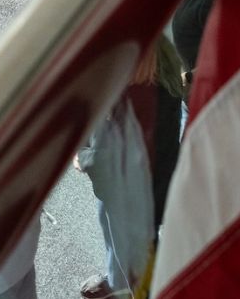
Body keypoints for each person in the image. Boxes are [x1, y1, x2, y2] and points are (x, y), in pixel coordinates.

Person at [75, 38, 185, 299]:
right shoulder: (160, 68)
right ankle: (115, 283)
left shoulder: (138, 99)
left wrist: (83, 157)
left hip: (133, 198)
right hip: (134, 190)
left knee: (136, 261)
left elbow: (113, 163)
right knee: (114, 238)